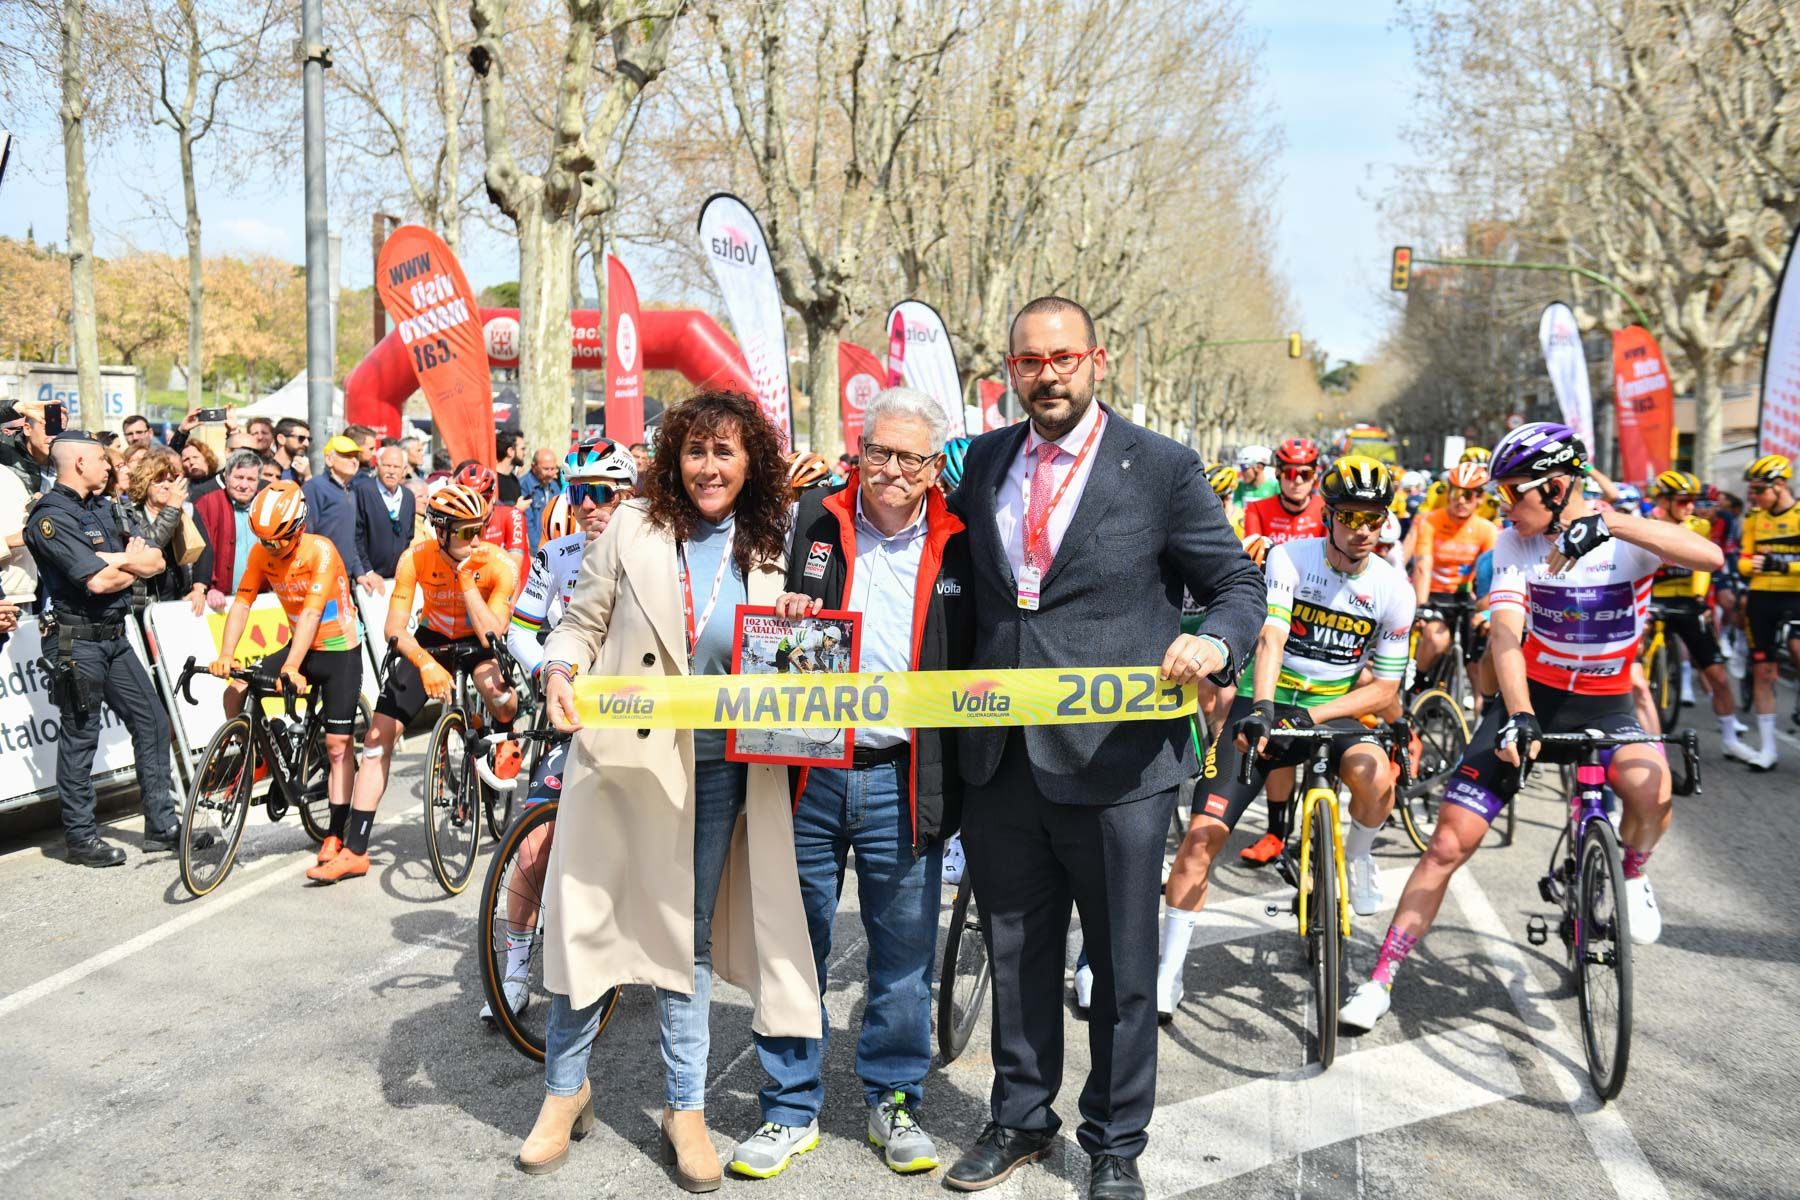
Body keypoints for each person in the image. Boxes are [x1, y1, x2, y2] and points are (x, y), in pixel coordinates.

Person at [942, 297, 1264, 1200]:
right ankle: (1019, 1118)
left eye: (1063, 358)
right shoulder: (986, 461)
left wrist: (1215, 644)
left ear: (1097, 361)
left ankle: (1116, 1143)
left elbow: (1237, 580)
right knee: (1015, 953)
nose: (1047, 374)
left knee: (1122, 966)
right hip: (1002, 755)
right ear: (1011, 370)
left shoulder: (1160, 467)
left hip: (1122, 761)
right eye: (1029, 361)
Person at [523, 390, 820, 1186]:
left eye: (725, 452)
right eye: (696, 452)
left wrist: (795, 614)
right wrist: (559, 666)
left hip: (723, 765)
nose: (710, 467)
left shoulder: (772, 539)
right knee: (590, 919)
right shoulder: (630, 525)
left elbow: (795, 645)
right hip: (622, 762)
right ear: (673, 460)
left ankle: (683, 1108)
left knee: (682, 935)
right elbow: (581, 622)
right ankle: (563, 1092)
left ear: (750, 460)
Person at [1340, 423, 1723, 1033]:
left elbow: (1711, 556)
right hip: (1533, 700)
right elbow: (1506, 638)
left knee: (1653, 792)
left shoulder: (1627, 539)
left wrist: (1613, 522)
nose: (1502, 504)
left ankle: (1631, 873)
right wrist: (1518, 715)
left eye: (1513, 492)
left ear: (1557, 485)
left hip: (1607, 703)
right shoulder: (1517, 546)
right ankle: (1381, 978)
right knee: (1447, 844)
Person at [737, 388, 972, 1180]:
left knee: (902, 957)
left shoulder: (962, 538)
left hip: (905, 776)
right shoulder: (814, 516)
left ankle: (894, 1098)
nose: (894, 470)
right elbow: (766, 614)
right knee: (793, 946)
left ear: (934, 466)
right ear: (858, 450)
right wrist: (787, 610)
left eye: (912, 457)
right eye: (881, 452)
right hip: (810, 774)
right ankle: (789, 1107)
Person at [1160, 455, 1414, 1011]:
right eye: (1351, 517)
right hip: (1268, 701)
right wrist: (1267, 706)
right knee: (1203, 837)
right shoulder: (1291, 559)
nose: (1363, 530)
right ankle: (1169, 971)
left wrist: (1315, 716)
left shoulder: (1395, 588)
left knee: (1376, 779)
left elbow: (1386, 691)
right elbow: (1271, 638)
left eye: (1374, 518)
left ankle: (1362, 854)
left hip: (1336, 709)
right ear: (1330, 517)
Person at [481, 438, 640, 1025]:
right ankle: (518, 964)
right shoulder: (558, 553)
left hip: (637, 721)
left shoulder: (658, 552)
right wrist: (550, 668)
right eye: (579, 494)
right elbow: (520, 628)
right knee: (532, 844)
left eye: (601, 494)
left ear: (627, 496)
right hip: (569, 712)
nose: (589, 506)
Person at [311, 482, 520, 884]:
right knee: (375, 740)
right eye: (464, 532)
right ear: (440, 531)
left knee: (500, 696)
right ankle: (355, 850)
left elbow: (492, 632)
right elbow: (394, 626)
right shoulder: (416, 558)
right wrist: (424, 663)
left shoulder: (496, 563)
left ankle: (503, 734)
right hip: (432, 641)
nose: (475, 539)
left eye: (480, 528)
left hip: (478, 639)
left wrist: (466, 579)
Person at [25, 433, 185, 867]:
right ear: (78, 463)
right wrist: (120, 563)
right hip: (77, 642)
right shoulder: (50, 516)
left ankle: (162, 826)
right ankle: (81, 839)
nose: (109, 466)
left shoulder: (101, 506)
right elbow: (94, 581)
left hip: (114, 635)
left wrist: (115, 563)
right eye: (100, 459)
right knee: (82, 738)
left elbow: (155, 560)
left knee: (152, 720)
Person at [208, 482, 363, 858]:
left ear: (298, 527)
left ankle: (336, 833)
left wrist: (292, 665)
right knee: (235, 690)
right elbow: (242, 603)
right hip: (300, 645)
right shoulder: (263, 553)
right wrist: (227, 655)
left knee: (338, 746)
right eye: (265, 541)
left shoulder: (319, 551)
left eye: (279, 541)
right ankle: (256, 755)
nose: (272, 549)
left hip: (338, 650)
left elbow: (312, 611)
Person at [1649, 470, 1751, 760]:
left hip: (1687, 600)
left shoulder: (1700, 526)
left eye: (1693, 501)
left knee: (1717, 675)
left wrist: (1698, 598)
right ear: (1664, 500)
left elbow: (1702, 568)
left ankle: (1730, 738)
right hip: (1652, 600)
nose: (1691, 507)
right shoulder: (1646, 526)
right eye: (1683, 501)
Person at [1737, 454, 1800, 769]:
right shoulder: (1753, 518)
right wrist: (1753, 564)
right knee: (1763, 672)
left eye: (1760, 489)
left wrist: (1779, 564)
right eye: (1752, 490)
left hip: (1796, 597)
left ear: (1780, 485)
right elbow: (1743, 562)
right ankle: (1768, 750)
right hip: (1761, 597)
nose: (1755, 496)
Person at [1411, 459, 1499, 681]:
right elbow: (1423, 565)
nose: (1460, 500)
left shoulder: (1487, 530)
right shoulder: (1430, 521)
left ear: (1479, 497)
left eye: (1468, 495)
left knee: (1478, 664)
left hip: (1465, 597)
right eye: (1455, 492)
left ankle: (1481, 713)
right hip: (1433, 594)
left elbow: (1489, 574)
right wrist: (1421, 606)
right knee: (1436, 640)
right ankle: (1418, 683)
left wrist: (1486, 610)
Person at [123, 449, 207, 612]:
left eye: (170, 480)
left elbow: (204, 552)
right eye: (159, 480)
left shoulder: (186, 510)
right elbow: (151, 545)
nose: (166, 485)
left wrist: (198, 589)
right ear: (144, 483)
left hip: (180, 600)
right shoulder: (130, 513)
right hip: (146, 606)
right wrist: (172, 508)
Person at [304, 435, 383, 595]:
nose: (353, 461)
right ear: (329, 459)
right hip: (318, 579)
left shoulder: (351, 490)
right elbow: (304, 535)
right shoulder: (315, 487)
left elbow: (349, 539)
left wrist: (360, 573)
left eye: (355, 456)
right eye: (346, 456)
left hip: (343, 578)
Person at [192, 450, 266, 609]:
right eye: (239, 477)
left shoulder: (267, 506)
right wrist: (209, 588)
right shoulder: (207, 504)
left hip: (263, 600)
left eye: (251, 479)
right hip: (219, 600)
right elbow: (199, 552)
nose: (244, 485)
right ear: (226, 476)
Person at [454, 459, 528, 574]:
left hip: (513, 586)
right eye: (470, 500)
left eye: (483, 498)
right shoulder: (457, 522)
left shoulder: (513, 515)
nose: (477, 506)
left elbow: (514, 566)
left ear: (493, 496)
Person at [356, 444, 417, 581]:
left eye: (396, 467)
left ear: (404, 470)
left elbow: (408, 536)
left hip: (397, 577)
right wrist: (367, 571)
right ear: (377, 467)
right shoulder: (363, 492)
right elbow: (356, 537)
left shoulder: (408, 497)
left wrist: (402, 569)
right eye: (386, 465)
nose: (391, 471)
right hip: (369, 578)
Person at [520, 447, 564, 555]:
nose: (550, 473)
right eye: (546, 469)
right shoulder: (523, 485)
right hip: (535, 552)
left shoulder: (554, 486)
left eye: (553, 469)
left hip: (553, 549)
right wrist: (537, 551)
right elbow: (527, 523)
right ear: (533, 466)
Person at [495, 431, 524, 505]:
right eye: (522, 449)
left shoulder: (514, 480)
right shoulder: (492, 480)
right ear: (510, 451)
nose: (524, 453)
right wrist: (516, 509)